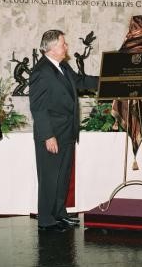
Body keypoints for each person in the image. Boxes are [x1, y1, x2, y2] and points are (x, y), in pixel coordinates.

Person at [29, 29, 98, 232]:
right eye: (63, 44)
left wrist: (109, 80)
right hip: (52, 134)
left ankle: (59, 213)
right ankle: (46, 220)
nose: (66, 47)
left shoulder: (62, 66)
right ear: (51, 48)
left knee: (62, 176)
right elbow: (38, 108)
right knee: (50, 176)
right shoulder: (41, 72)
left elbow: (80, 82)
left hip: (67, 132)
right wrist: (48, 135)